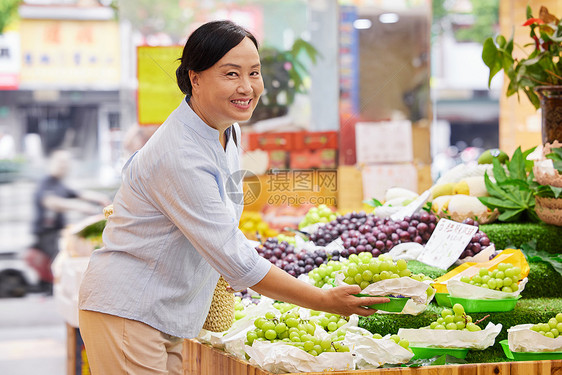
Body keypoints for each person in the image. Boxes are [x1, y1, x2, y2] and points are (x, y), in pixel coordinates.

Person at [78, 20, 389, 375]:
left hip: (163, 313)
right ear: (195, 78)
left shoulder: (227, 130)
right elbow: (234, 256)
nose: (247, 87)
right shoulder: (181, 153)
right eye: (231, 74)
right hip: (128, 309)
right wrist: (322, 300)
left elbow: (217, 228)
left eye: (254, 73)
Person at [30, 149, 111, 294]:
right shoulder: (46, 183)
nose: (64, 165)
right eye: (61, 162)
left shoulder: (60, 184)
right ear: (52, 163)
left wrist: (101, 199)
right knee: (61, 256)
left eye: (66, 162)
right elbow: (51, 202)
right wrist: (81, 207)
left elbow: (80, 194)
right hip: (47, 233)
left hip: (57, 231)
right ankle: (59, 288)